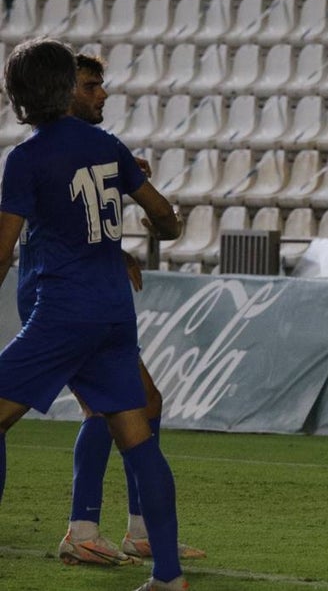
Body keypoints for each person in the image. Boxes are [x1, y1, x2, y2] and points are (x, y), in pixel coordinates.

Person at [0, 38, 189, 591]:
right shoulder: (108, 146)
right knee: (137, 433)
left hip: (63, 312)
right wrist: (159, 229)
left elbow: (4, 250)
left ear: (19, 96)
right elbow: (164, 217)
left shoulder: (26, 158)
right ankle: (167, 576)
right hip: (113, 311)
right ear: (65, 88)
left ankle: (90, 530)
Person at [56, 53, 206, 566]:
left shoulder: (93, 150)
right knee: (106, 408)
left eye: (101, 84)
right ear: (63, 91)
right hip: (64, 298)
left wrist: (114, 252)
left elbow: (77, 217)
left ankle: (138, 530)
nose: (102, 93)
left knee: (146, 402)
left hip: (91, 290)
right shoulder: (54, 150)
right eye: (90, 85)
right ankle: (83, 529)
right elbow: (48, 223)